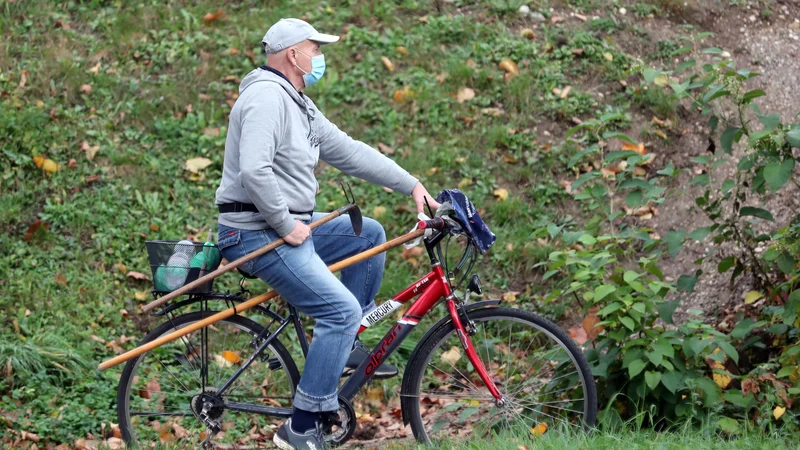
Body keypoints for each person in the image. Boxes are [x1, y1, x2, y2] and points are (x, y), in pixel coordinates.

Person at [214, 18, 440, 450]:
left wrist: (412, 184)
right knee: (338, 310)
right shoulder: (265, 98)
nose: (319, 57)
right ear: (291, 54)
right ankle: (300, 426)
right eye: (314, 49)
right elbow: (254, 171)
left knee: (367, 235)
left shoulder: (297, 102)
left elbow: (349, 151)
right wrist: (285, 225)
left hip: (285, 222)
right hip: (255, 232)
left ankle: (345, 343)